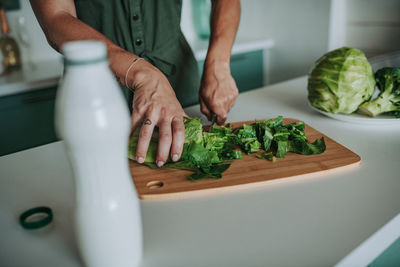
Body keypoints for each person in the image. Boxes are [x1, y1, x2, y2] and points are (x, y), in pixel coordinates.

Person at [30, 0, 240, 167]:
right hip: (96, 96)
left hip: (180, 88)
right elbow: (56, 16)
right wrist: (142, 74)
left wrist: (218, 63)